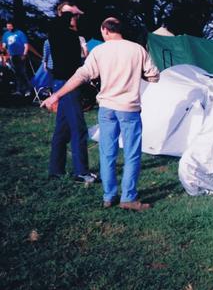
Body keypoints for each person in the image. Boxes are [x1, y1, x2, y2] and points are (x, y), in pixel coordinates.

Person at [42, 17, 160, 211]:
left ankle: (109, 196)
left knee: (107, 153)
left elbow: (81, 75)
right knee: (131, 154)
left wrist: (56, 95)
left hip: (106, 109)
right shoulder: (137, 49)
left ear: (105, 30)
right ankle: (128, 198)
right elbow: (154, 76)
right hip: (129, 109)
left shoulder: (99, 51)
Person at [46, 2, 98, 183]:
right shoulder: (57, 32)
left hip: (69, 83)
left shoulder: (74, 35)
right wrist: (71, 11)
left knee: (62, 129)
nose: (76, 17)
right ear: (63, 15)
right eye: (72, 15)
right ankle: (81, 172)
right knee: (79, 128)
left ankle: (55, 170)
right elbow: (57, 22)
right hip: (66, 84)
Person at [2, 20, 31, 96]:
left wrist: (24, 54)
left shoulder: (20, 33)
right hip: (11, 56)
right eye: (7, 26)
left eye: (10, 26)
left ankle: (28, 90)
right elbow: (4, 45)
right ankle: (18, 90)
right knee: (16, 73)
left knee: (23, 72)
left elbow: (26, 45)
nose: (9, 28)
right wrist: (5, 52)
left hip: (20, 55)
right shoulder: (6, 34)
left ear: (13, 26)